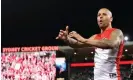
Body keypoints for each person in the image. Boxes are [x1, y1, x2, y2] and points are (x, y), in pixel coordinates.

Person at [56, 8, 124, 80]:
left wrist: (84, 40)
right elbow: (77, 44)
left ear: (111, 19)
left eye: (104, 14)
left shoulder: (117, 32)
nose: (100, 16)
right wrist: (66, 39)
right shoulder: (96, 37)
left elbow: (111, 44)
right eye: (98, 15)